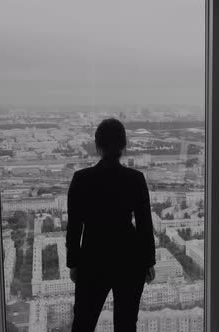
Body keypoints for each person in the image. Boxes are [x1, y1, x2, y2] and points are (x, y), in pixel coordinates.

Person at [66, 118, 156, 332]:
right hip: (129, 258)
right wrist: (148, 261)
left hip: (92, 257)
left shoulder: (81, 179)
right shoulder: (136, 179)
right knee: (126, 325)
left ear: (97, 146)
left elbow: (74, 226)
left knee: (83, 324)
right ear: (124, 146)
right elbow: (145, 224)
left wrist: (73, 263)